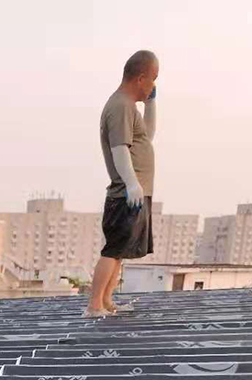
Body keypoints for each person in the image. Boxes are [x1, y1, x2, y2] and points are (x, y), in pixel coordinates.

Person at [85, 50, 159, 317]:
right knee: (113, 250)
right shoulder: (120, 106)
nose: (153, 84)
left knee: (120, 252)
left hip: (134, 192)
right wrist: (131, 183)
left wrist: (151, 104)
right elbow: (119, 148)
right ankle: (94, 305)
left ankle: (106, 302)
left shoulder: (129, 107)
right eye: (153, 79)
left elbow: (146, 137)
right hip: (125, 193)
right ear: (140, 78)